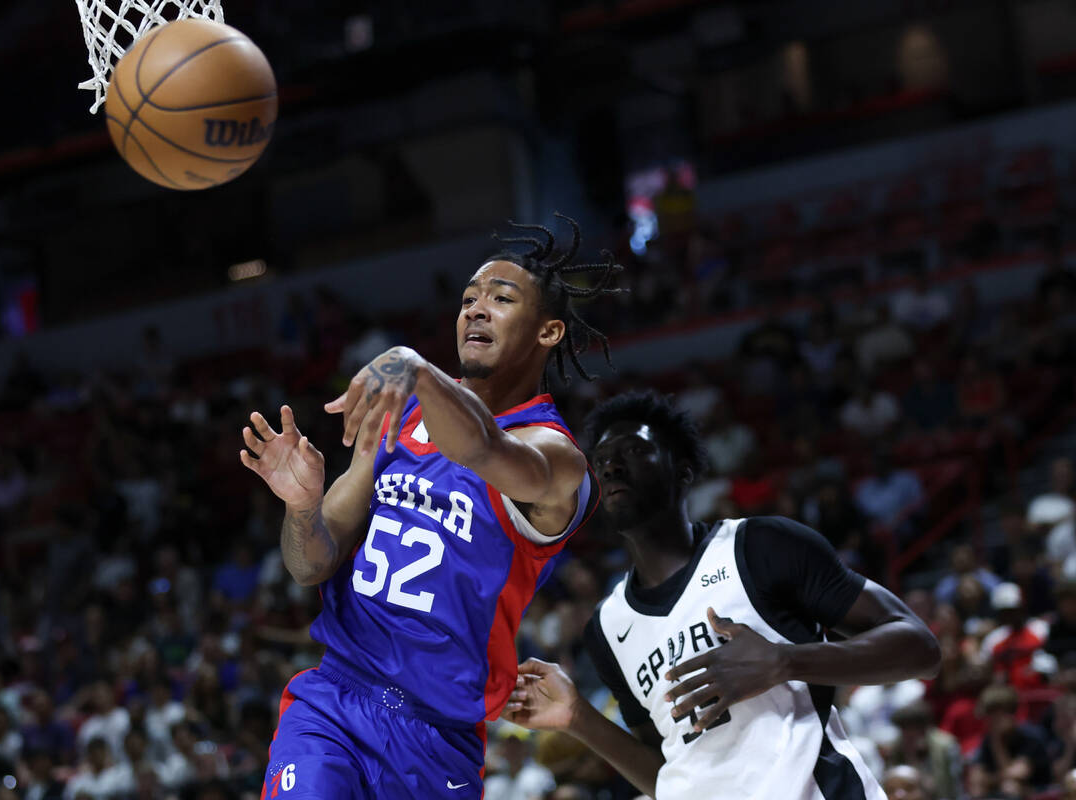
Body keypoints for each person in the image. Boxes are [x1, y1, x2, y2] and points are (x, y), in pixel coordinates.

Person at [240, 216, 620, 799]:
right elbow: (309, 564)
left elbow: (481, 447)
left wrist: (414, 367)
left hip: (437, 737)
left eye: (500, 298)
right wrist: (301, 506)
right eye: (468, 299)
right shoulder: (398, 423)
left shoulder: (554, 455)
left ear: (548, 333)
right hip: (336, 701)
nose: (475, 309)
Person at [501, 390, 941, 800]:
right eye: (602, 461)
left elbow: (920, 647)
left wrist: (787, 661)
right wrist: (579, 717)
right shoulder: (607, 627)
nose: (612, 467)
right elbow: (670, 770)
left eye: (634, 451)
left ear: (683, 470)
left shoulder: (761, 546)